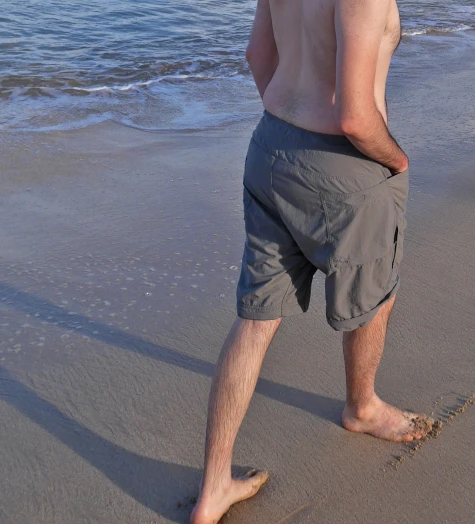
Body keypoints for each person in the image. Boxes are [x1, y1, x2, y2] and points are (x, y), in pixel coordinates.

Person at [190, 0, 433, 521]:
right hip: (342, 158)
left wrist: (289, 129)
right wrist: (397, 160)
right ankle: (361, 407)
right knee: (374, 291)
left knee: (255, 321)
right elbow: (354, 114)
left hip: (269, 146)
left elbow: (259, 55)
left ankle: (213, 488)